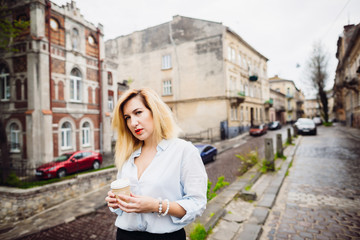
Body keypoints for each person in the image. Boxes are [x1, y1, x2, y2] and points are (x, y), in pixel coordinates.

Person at [105, 88, 208, 240]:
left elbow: (197, 203)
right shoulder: (127, 155)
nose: (133, 123)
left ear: (154, 111)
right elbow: (123, 208)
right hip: (125, 235)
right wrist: (115, 203)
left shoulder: (183, 151)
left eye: (138, 112)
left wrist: (156, 205)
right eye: (127, 117)